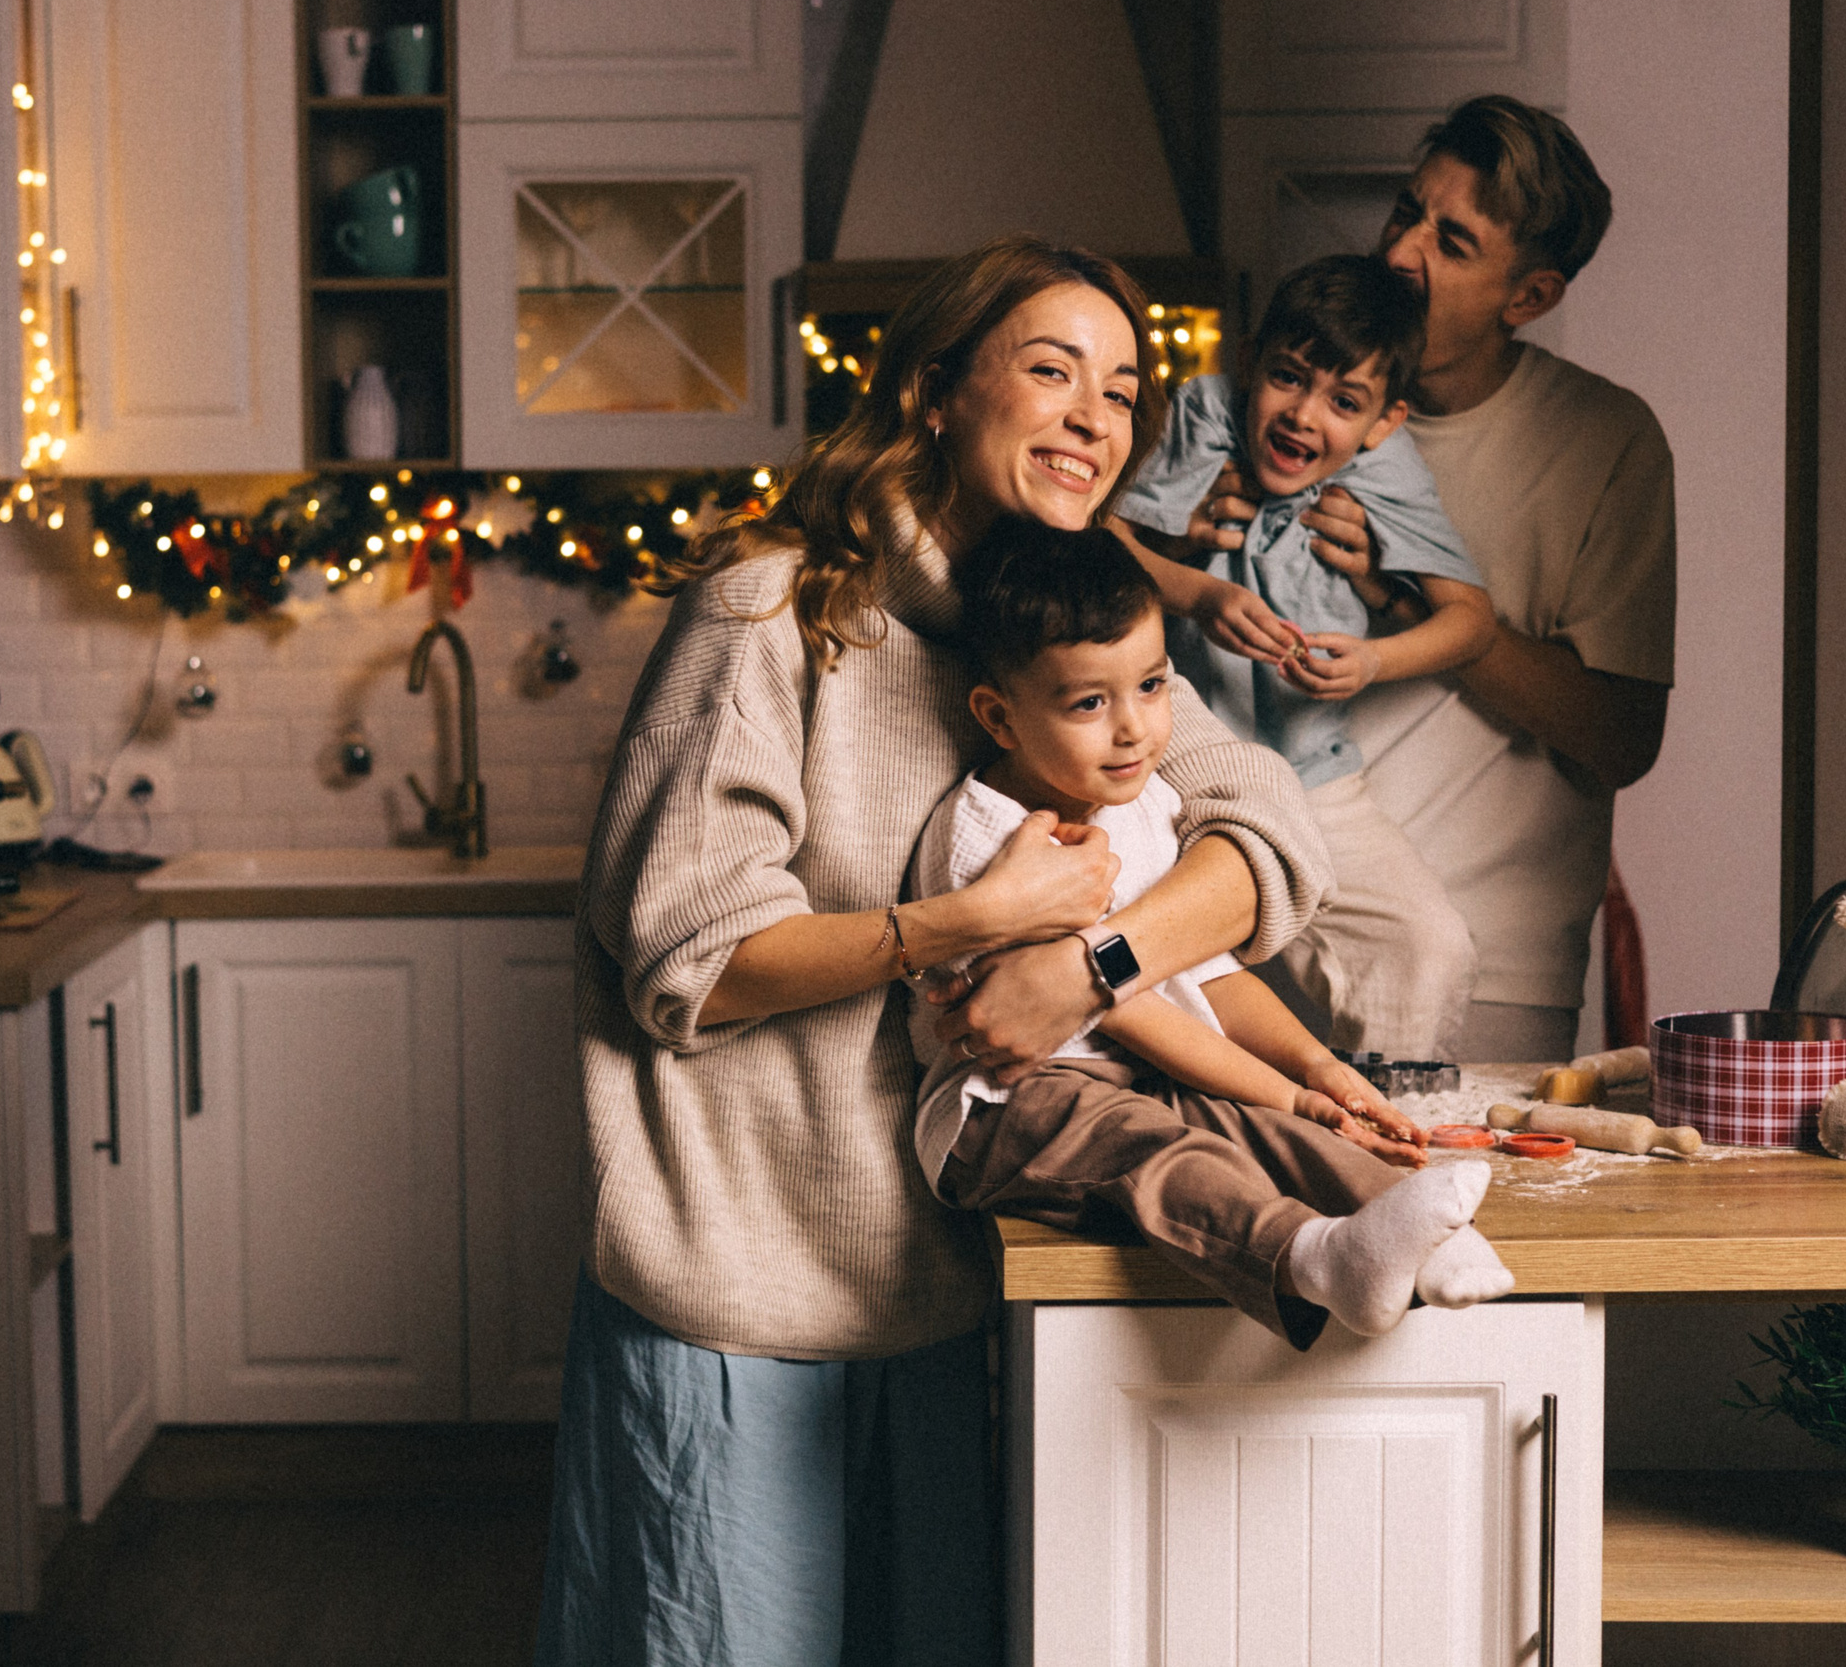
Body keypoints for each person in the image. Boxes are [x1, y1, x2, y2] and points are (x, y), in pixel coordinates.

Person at [538, 237, 1342, 1666]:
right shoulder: (770, 611)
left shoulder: (1062, 631)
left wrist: (1086, 967)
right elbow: (690, 961)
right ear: (930, 393)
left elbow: (1264, 834)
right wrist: (972, 925)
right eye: (1051, 369)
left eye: (1124, 387)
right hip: (737, 1286)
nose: (1097, 415)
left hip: (945, 1283)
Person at [909, 515, 1513, 1346]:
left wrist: (1316, 1070)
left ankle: (1423, 1235)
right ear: (1000, 716)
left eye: (1152, 686)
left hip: (1149, 1076)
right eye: (1090, 702)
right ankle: (1313, 1258)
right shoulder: (995, 835)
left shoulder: (1149, 801)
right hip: (1013, 1108)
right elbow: (1125, 1007)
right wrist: (1284, 1089)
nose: (1134, 729)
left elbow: (1211, 977)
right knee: (1156, 1146)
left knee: (1276, 1130)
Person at [1179, 96, 1676, 1062]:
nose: (1402, 252)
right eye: (1405, 213)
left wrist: (1422, 613)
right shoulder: (1278, 408)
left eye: (1452, 241)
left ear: (1528, 296)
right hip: (1257, 919)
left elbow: (1621, 736)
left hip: (1490, 962)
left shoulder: (1605, 441)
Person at [1106, 255, 1494, 1059]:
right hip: (1174, 773)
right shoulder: (1206, 411)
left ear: (1384, 422)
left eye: (1344, 402)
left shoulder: (1384, 465)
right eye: (1287, 378)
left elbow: (1471, 622)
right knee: (1140, 964)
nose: (1302, 417)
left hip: (1316, 777)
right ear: (1249, 362)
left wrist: (1371, 662)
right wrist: (1197, 593)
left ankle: (1391, 1143)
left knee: (1429, 944)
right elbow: (1095, 541)